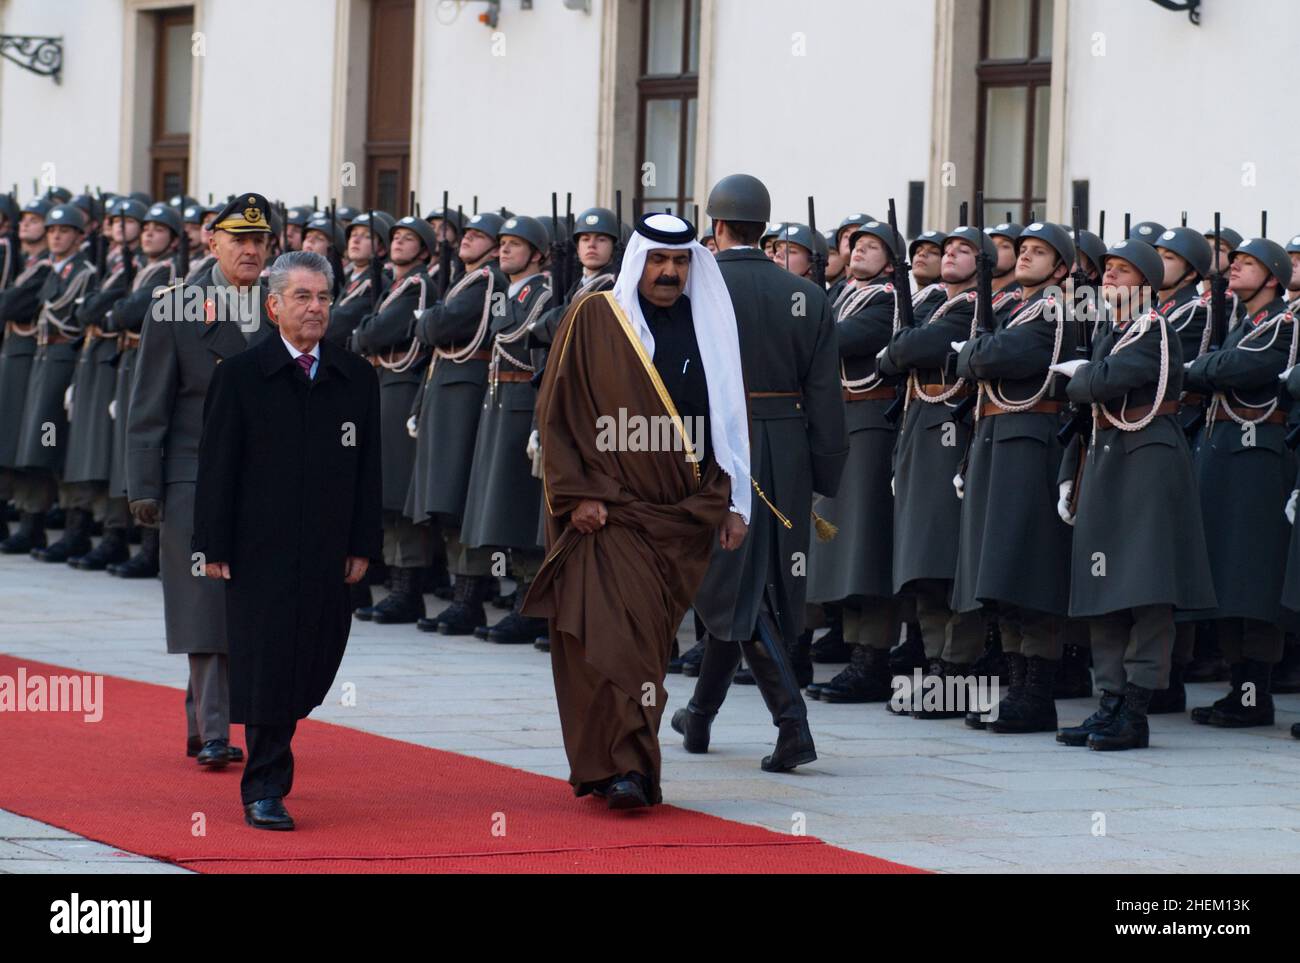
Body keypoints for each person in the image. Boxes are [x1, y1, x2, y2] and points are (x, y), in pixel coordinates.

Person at [523, 212, 750, 809]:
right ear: (637, 262)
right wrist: (580, 494)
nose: (669, 273)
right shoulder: (596, 319)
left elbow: (729, 420)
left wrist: (737, 503)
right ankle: (624, 769)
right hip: (610, 512)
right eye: (657, 260)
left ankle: (624, 763)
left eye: (679, 262)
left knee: (649, 644)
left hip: (683, 517)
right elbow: (559, 411)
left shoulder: (708, 324)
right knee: (614, 640)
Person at [192, 251, 382, 830]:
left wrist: (361, 543)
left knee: (315, 658)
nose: (316, 307)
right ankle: (265, 786)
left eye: (323, 297)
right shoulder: (242, 376)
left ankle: (277, 744)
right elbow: (217, 466)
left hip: (327, 549)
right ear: (274, 306)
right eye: (303, 297)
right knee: (269, 662)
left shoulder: (355, 378)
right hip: (259, 550)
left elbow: (369, 469)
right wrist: (213, 544)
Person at [678, 173, 847, 772]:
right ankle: (698, 715)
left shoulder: (695, 285)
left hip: (718, 444)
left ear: (716, 226)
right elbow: (826, 394)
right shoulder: (806, 294)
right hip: (787, 446)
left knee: (736, 583)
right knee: (740, 581)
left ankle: (792, 724)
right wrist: (824, 471)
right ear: (765, 229)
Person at [128, 191, 279, 768]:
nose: (249, 250)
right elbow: (149, 405)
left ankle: (207, 721)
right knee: (206, 604)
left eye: (258, 240)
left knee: (250, 604)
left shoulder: (279, 305)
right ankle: (216, 730)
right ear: (211, 241)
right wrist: (145, 485)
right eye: (238, 239)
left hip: (264, 482)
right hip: (194, 476)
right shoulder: (174, 309)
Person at [1053, 240, 1216, 750]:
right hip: (1108, 461)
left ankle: (1136, 708)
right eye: (1108, 271)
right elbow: (1086, 413)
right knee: (1105, 590)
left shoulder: (1154, 329)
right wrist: (1068, 474)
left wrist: (1080, 376)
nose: (1109, 279)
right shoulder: (1113, 330)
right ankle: (1110, 702)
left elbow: (1103, 384)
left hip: (1146, 461)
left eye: (1122, 272)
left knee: (1145, 588)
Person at [951, 222, 1077, 724]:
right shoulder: (1014, 309)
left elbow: (998, 355)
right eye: (1022, 250)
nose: (1024, 257)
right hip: (995, 442)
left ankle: (1037, 692)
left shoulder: (1054, 311)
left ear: (1061, 268)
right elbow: (976, 361)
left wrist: (973, 352)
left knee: (1029, 567)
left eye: (1038, 252)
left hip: (1029, 444)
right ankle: (1017, 684)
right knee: (997, 569)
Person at [875, 226, 991, 708]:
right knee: (923, 557)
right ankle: (936, 664)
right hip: (919, 428)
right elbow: (891, 356)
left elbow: (910, 349)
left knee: (948, 555)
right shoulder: (933, 302)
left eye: (964, 251)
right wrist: (902, 347)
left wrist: (902, 347)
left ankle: (957, 669)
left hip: (951, 433)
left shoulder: (976, 308)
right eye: (947, 249)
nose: (950, 256)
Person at [1184, 237, 1296, 728]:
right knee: (1226, 578)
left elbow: (1246, 367)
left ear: (1271, 277)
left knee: (1253, 580)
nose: (1234, 270)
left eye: (1247, 265)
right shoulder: (1241, 322)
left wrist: (1202, 370)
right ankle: (1238, 690)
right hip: (1226, 453)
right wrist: (1208, 370)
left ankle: (1256, 696)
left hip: (1258, 459)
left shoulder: (1282, 323)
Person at [404, 211, 506, 632]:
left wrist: (425, 323)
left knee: (462, 498)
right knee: (444, 501)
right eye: (467, 234)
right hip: (444, 388)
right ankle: (459, 594)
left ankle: (470, 598)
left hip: (465, 392)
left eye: (479, 236)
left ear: (496, 247)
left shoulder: (487, 282)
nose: (467, 240)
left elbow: (439, 324)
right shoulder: (467, 279)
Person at [459, 216, 552, 643]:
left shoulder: (544, 294)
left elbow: (515, 334)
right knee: (498, 507)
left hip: (521, 403)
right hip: (498, 402)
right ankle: (517, 598)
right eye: (503, 244)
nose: (505, 251)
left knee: (518, 507)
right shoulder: (508, 293)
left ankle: (529, 604)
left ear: (537, 253)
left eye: (516, 245)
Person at [349, 214, 439, 624]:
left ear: (423, 250)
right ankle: (393, 584)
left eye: (409, 238)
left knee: (399, 493)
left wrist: (366, 330)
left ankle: (408, 591)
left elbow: (372, 334)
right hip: (385, 384)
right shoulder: (396, 286)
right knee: (383, 491)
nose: (400, 243)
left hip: (401, 388)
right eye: (396, 238)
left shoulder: (417, 285)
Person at [0, 198, 54, 553]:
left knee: (34, 439)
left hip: (33, 356)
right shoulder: (25, 263)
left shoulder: (51, 268)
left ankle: (32, 519)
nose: (26, 225)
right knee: (11, 440)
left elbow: (9, 305)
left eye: (36, 221)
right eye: (27, 219)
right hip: (15, 354)